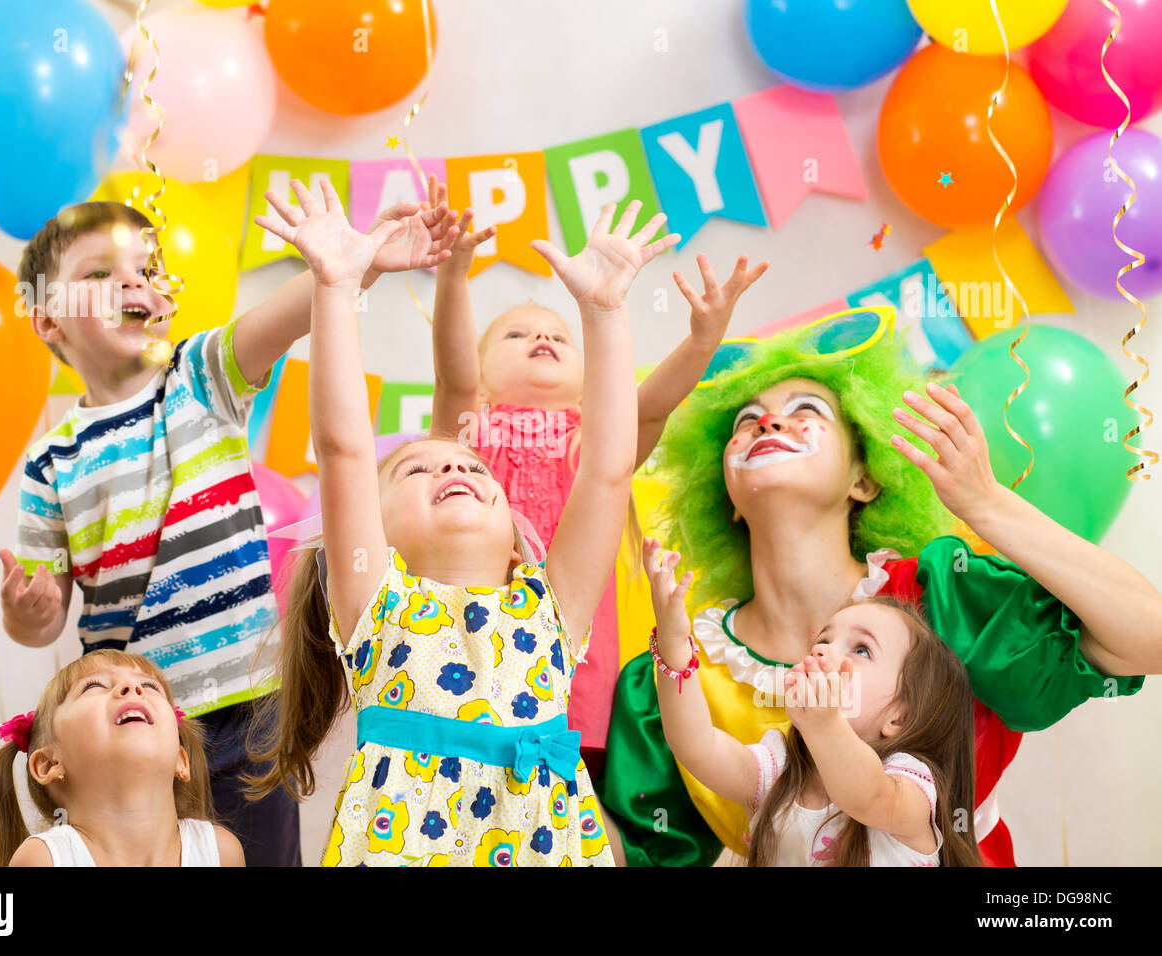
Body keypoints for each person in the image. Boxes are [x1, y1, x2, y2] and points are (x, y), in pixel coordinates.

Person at [599, 311, 1159, 865]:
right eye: (747, 420)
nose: (768, 425)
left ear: (864, 479)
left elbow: (1149, 639)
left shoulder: (943, 594)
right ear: (726, 496)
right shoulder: (669, 674)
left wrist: (988, 507)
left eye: (806, 412)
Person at [0, 196, 459, 865]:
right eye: (99, 274)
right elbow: (42, 622)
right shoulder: (52, 458)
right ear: (47, 319)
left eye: (144, 270)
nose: (132, 283)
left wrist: (354, 261)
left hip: (248, 710)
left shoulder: (200, 374)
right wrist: (28, 612)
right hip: (132, 727)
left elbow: (287, 314)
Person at [246, 181, 672, 865]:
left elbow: (607, 471)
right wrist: (335, 287)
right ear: (376, 537)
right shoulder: (377, 603)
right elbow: (344, 447)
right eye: (416, 472)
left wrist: (606, 311)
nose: (456, 470)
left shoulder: (550, 608)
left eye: (476, 472)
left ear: (515, 536)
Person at [425, 174, 767, 779]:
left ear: (588, 379)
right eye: (518, 333)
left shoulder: (593, 440)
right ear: (482, 379)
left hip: (568, 644)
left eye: (558, 335)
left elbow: (652, 405)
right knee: (464, 767)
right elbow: (452, 376)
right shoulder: (471, 431)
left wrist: (702, 339)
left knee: (557, 777)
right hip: (467, 644)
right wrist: (454, 277)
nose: (541, 337)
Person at [644, 534, 981, 866]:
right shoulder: (778, 771)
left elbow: (866, 796)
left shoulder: (908, 787)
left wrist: (825, 723)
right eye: (823, 639)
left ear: (899, 717)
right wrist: (675, 650)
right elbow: (696, 745)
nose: (822, 649)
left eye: (861, 649)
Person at [0, 649, 243, 866]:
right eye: (93, 685)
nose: (132, 687)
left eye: (150, 686)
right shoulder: (44, 860)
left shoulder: (222, 853)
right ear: (49, 763)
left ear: (180, 760)